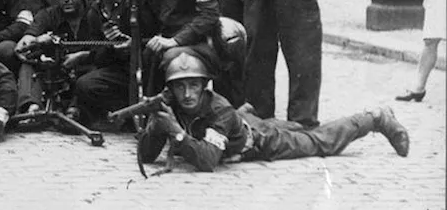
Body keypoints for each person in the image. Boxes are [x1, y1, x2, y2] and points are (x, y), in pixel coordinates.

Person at [139, 49, 409, 172]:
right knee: (300, 128)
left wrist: (174, 132)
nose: (187, 94)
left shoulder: (218, 109)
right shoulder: (172, 103)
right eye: (180, 87)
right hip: (242, 123)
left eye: (193, 86)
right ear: (170, 89)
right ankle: (252, 115)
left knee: (318, 141)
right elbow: (148, 157)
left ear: (204, 85)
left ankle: (373, 118)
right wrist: (155, 123)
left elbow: (209, 161)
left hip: (259, 142)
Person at [15, 0, 104, 116]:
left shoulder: (97, 12)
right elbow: (23, 44)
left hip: (88, 71)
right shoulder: (47, 14)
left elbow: (109, 49)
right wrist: (36, 41)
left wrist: (84, 55)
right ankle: (31, 108)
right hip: (57, 71)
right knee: (28, 64)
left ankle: (76, 110)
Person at [76, 0, 133, 124]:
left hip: (147, 66)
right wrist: (109, 46)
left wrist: (134, 44)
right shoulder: (95, 11)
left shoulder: (138, 0)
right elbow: (99, 56)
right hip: (120, 72)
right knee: (85, 84)